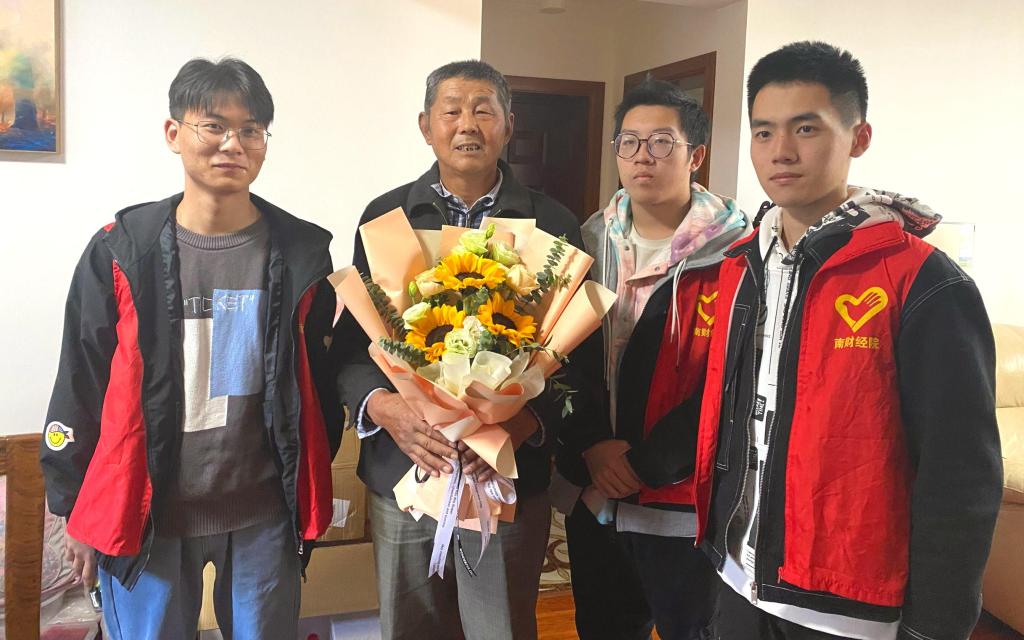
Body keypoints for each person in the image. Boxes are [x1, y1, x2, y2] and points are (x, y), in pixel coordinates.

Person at [693, 41, 1003, 640]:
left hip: (848, 606)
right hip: (737, 577)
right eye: (763, 132)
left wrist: (936, 624)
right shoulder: (739, 265)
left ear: (859, 138)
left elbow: (961, 470)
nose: (781, 151)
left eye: (806, 128)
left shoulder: (921, 280)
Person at [40, 58, 341, 640]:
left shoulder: (302, 253)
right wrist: (73, 505)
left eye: (251, 130)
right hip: (146, 511)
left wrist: (309, 485)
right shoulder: (121, 251)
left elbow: (316, 384)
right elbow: (80, 381)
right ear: (174, 132)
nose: (233, 143)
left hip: (263, 513)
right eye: (214, 126)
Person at [334, 59, 598, 640]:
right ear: (425, 126)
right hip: (407, 468)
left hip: (503, 473)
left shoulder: (553, 223)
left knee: (500, 627)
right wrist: (386, 408)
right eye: (451, 111)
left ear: (509, 125)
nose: (467, 125)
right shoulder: (385, 218)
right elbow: (353, 347)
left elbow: (577, 357)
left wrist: (523, 423)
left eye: (484, 110)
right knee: (410, 626)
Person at [554, 79, 749, 640]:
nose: (643, 155)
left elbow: (732, 381)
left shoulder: (736, 254)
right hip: (595, 491)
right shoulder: (582, 245)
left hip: (684, 501)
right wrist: (592, 444)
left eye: (662, 142)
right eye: (629, 141)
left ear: (696, 155)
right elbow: (557, 357)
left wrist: (646, 463)